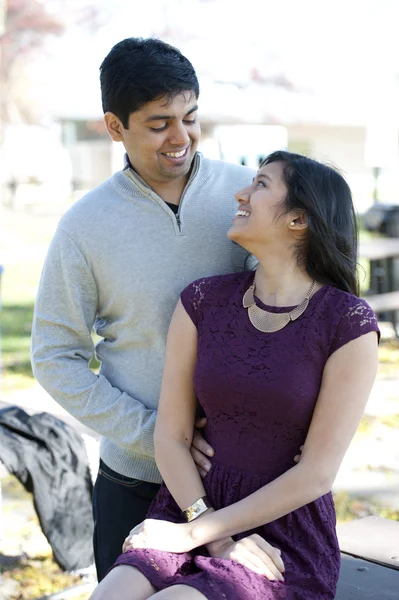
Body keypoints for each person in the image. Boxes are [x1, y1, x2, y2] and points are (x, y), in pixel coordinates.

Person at [90, 151, 380, 600]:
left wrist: (196, 536)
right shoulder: (203, 302)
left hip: (285, 533)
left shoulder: (348, 323)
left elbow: (317, 474)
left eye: (261, 185)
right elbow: (171, 435)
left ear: (299, 219)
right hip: (191, 506)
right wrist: (209, 535)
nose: (241, 192)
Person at [30, 37, 257, 581]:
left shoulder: (248, 196)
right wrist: (155, 434)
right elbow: (55, 355)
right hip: (134, 481)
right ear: (115, 127)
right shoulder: (84, 227)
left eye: (191, 117)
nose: (181, 138)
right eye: (159, 124)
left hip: (246, 476)